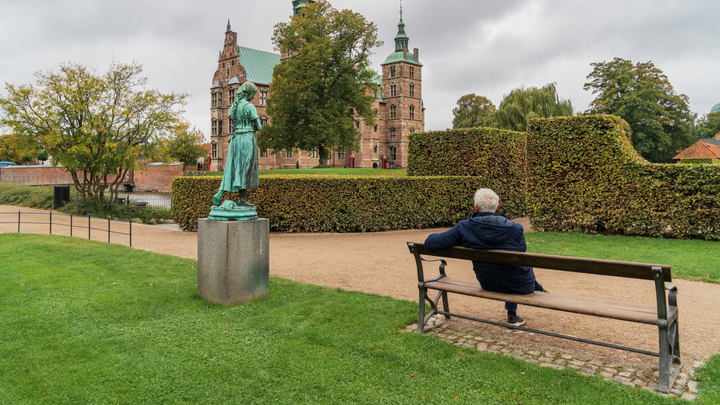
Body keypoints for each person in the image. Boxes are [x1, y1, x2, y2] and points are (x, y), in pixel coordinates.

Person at [423, 188, 546, 326]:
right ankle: (518, 308)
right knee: (519, 266)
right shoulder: (515, 228)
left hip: (488, 282)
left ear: (475, 208)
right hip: (518, 285)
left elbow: (430, 243)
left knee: (511, 267)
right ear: (497, 207)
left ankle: (537, 289)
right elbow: (521, 253)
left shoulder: (464, 227)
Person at [212, 82, 261, 207]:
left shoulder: (235, 105)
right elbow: (259, 126)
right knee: (246, 168)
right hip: (247, 138)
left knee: (233, 167)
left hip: (236, 139)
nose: (253, 96)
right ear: (248, 93)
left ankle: (220, 193)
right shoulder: (249, 106)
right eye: (253, 94)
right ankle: (241, 199)